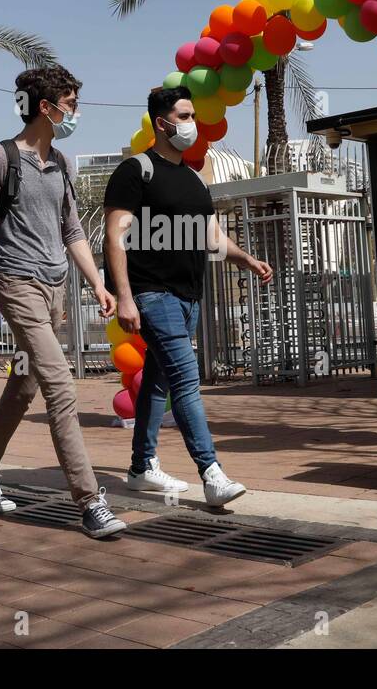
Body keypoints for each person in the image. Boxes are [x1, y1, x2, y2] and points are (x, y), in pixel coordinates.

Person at [0, 66, 125, 539]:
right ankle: (90, 502)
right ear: (45, 108)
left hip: (54, 288)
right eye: (69, 103)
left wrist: (97, 283)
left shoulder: (63, 163)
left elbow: (72, 229)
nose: (75, 112)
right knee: (61, 387)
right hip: (16, 283)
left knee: (24, 384)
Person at [103, 87, 272, 507]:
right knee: (185, 380)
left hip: (189, 297)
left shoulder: (194, 179)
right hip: (152, 295)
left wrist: (245, 259)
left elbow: (212, 237)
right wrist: (124, 296)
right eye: (184, 115)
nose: (192, 122)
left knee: (158, 385)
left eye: (193, 114)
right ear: (162, 123)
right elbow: (115, 236)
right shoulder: (135, 171)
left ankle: (142, 467)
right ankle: (211, 473)